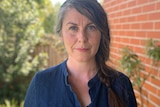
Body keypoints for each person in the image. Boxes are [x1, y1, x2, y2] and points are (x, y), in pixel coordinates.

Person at [24, 0, 137, 107]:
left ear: (102, 33)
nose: (82, 38)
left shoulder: (121, 85)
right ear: (61, 33)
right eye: (73, 28)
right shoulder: (41, 83)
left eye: (91, 27)